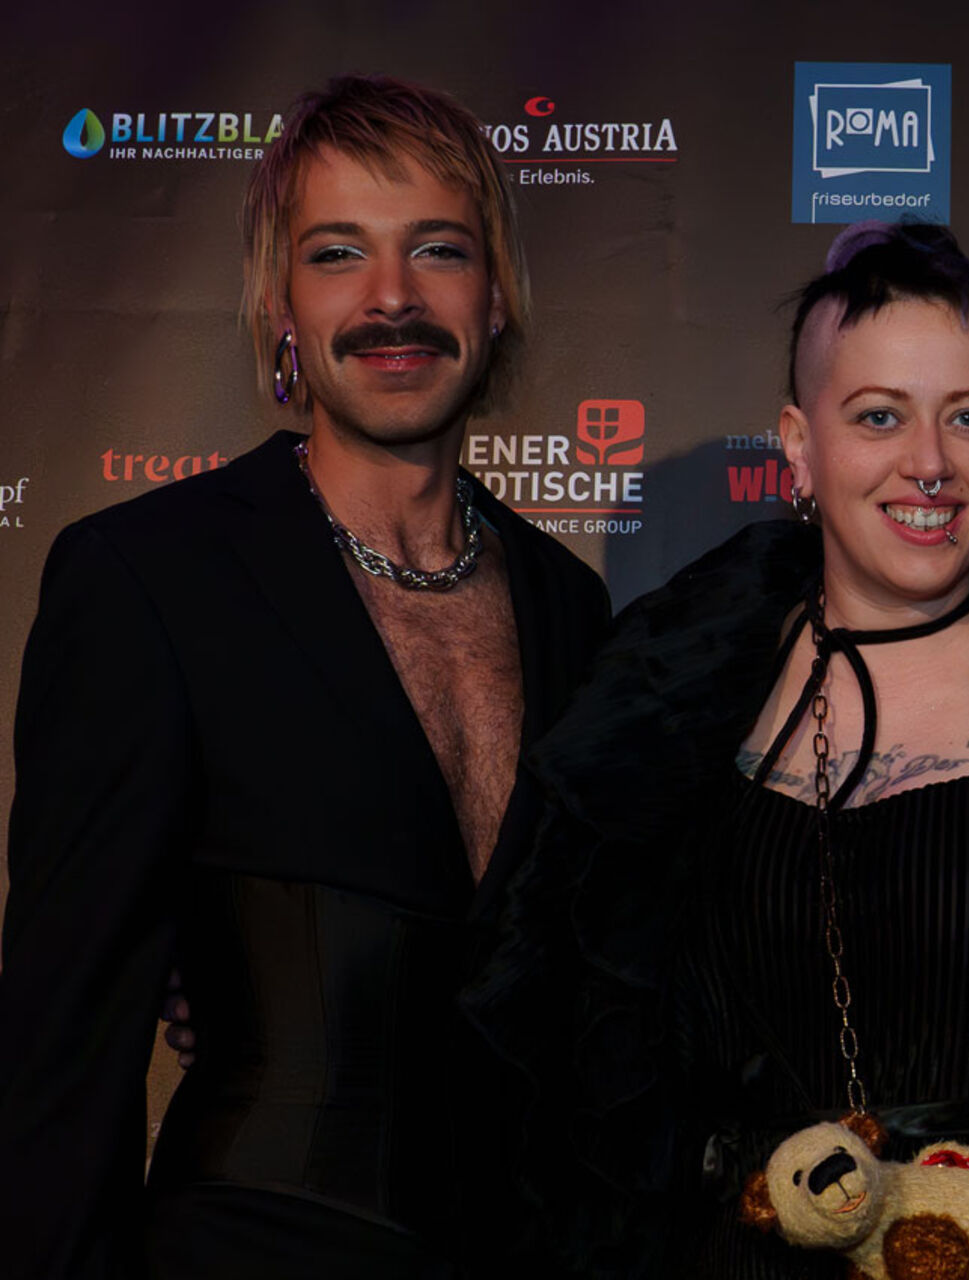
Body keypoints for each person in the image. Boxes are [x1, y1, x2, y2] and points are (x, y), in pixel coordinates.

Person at [463, 222, 969, 1277]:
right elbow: (581, 1069)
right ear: (800, 445)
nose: (928, 464)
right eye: (879, 415)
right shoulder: (663, 697)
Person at [0, 75, 609, 1279]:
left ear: (497, 297)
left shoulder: (571, 609)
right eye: (338, 254)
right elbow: (65, 1044)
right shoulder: (150, 578)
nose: (392, 297)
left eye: (438, 249)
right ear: (280, 302)